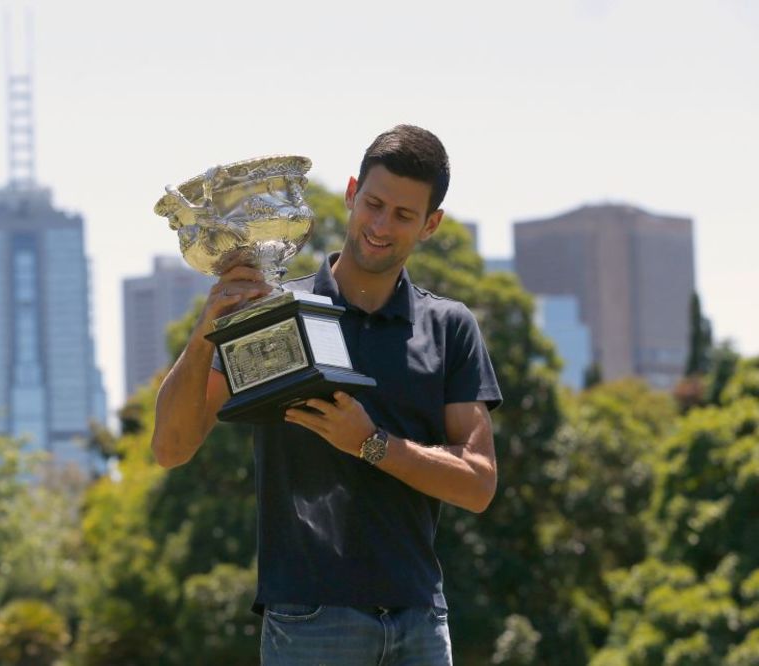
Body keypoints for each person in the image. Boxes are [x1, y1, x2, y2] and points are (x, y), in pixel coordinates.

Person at [151, 124, 502, 665]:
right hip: (308, 623)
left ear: (430, 224)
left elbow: (478, 484)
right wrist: (205, 335)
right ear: (350, 193)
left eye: (404, 215)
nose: (381, 226)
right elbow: (171, 448)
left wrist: (370, 443)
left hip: (421, 623)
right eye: (374, 204)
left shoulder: (449, 327)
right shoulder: (273, 317)